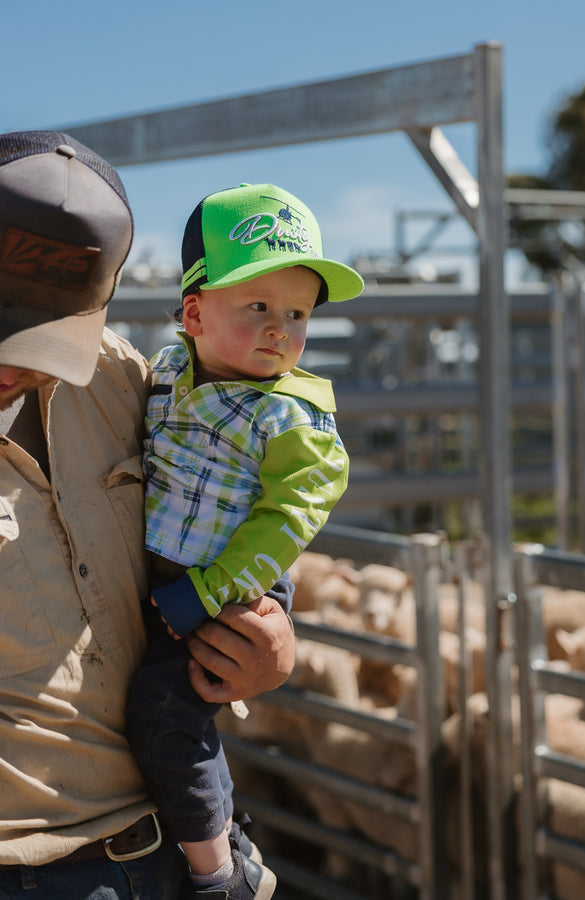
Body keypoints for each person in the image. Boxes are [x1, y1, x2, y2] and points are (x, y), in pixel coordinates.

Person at [0, 132, 296, 900]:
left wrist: (268, 636)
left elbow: (236, 487)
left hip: (161, 849)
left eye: (37, 333)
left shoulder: (126, 382)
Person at [126, 183, 364, 898]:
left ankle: (217, 873)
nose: (280, 329)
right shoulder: (164, 372)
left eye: (296, 313)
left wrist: (206, 593)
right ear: (193, 312)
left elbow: (290, 518)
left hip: (231, 576)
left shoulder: (289, 415)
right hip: (173, 572)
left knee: (167, 712)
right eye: (258, 306)